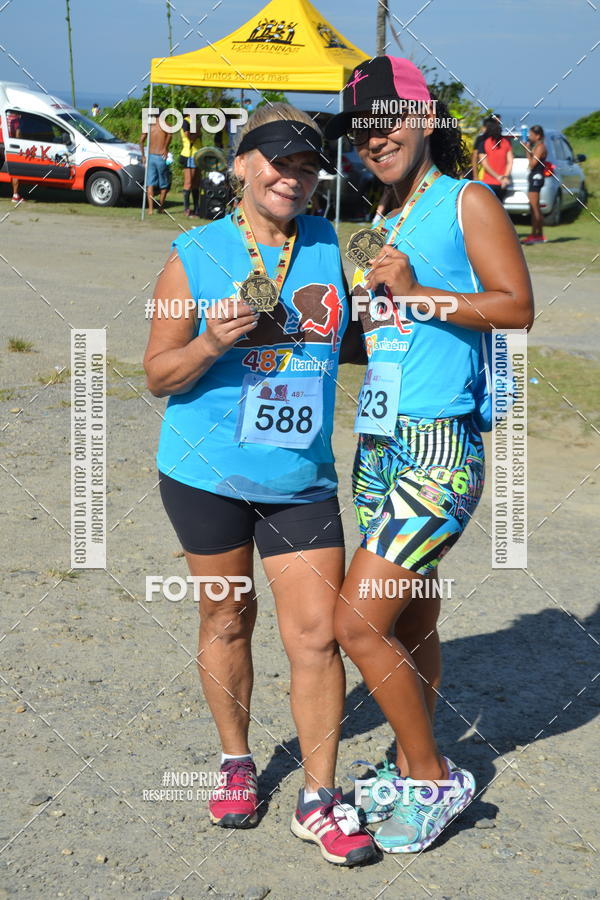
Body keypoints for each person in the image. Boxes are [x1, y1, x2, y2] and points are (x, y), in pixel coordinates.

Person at [143, 103, 376, 867]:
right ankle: (237, 763)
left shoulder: (325, 243)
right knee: (227, 622)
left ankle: (319, 798)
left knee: (316, 636)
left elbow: (345, 341)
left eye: (309, 166)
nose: (295, 177)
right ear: (242, 164)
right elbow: (157, 374)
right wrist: (213, 337)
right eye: (278, 161)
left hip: (300, 476)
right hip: (207, 472)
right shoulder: (194, 254)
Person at [324, 56, 534, 854]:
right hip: (378, 441)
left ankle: (431, 775)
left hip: (438, 448)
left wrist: (416, 294)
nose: (372, 141)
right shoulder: (384, 211)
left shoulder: (465, 199)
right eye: (359, 132)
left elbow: (516, 306)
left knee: (356, 622)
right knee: (410, 616)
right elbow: (382, 333)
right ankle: (408, 756)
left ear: (424, 116)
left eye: (386, 123)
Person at [140, 109, 172, 215]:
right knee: (164, 183)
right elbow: (170, 135)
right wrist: (165, 148)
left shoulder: (149, 125)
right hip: (161, 156)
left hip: (150, 156)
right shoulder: (166, 124)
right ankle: (161, 207)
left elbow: (141, 140)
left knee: (150, 184)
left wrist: (143, 155)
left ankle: (150, 209)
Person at [522, 125, 547, 244]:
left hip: (536, 177)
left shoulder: (540, 146)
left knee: (534, 207)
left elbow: (532, 164)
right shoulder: (537, 146)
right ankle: (539, 234)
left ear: (538, 136)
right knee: (534, 207)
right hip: (536, 177)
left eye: (531, 135)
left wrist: (527, 150)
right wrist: (527, 149)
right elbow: (531, 161)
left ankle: (535, 234)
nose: (530, 137)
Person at [478, 118, 513, 202]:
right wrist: (505, 177)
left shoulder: (484, 143)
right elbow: (510, 162)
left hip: (488, 182)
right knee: (500, 206)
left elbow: (484, 164)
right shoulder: (506, 143)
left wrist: (497, 177)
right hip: (502, 183)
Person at [179, 112, 202, 216]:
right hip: (189, 155)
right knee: (188, 182)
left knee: (196, 183)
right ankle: (186, 209)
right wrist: (198, 130)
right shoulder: (185, 122)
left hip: (197, 155)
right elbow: (190, 138)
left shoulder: (194, 123)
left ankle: (197, 208)